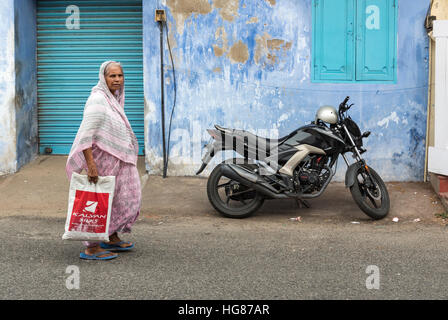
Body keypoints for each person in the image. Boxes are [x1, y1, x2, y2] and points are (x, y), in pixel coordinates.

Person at [66, 60, 141, 260]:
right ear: (103, 78)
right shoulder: (98, 100)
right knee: (98, 202)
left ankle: (111, 236)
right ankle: (91, 247)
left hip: (119, 160)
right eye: (112, 76)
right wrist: (90, 165)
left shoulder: (114, 99)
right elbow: (86, 135)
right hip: (102, 162)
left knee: (123, 199)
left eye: (120, 76)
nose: (117, 80)